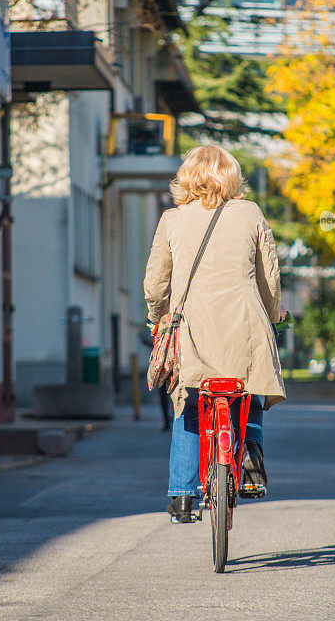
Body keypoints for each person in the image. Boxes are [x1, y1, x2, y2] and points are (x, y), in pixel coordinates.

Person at [143, 145, 286, 523]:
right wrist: (275, 313)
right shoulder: (250, 213)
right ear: (232, 176)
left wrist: (157, 317)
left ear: (186, 177)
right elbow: (268, 274)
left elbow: (156, 281)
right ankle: (250, 454)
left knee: (189, 399)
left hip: (191, 325)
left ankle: (182, 494)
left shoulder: (172, 219)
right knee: (250, 383)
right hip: (244, 319)